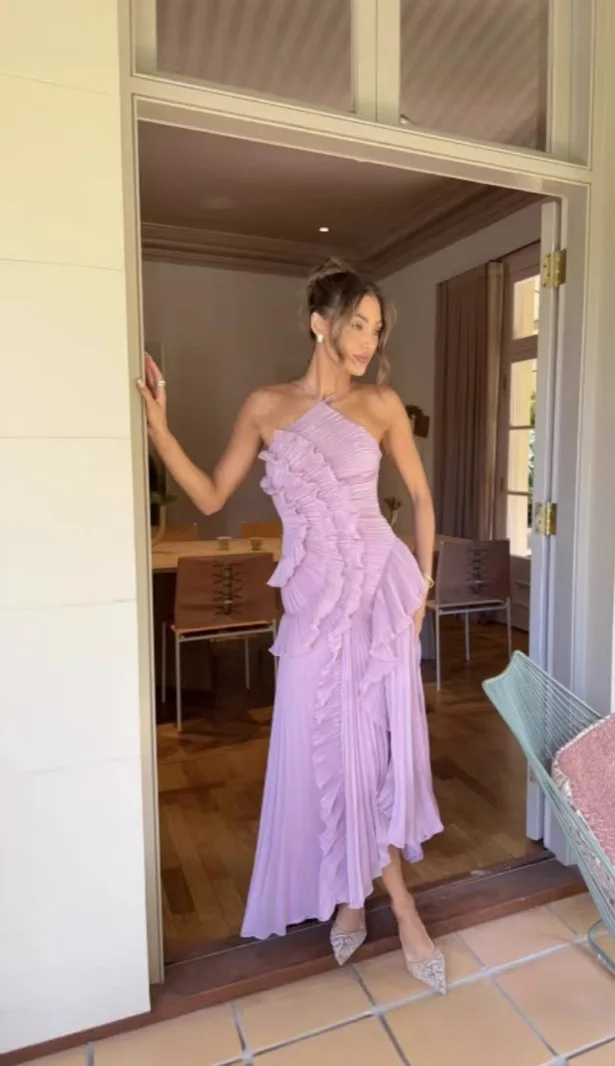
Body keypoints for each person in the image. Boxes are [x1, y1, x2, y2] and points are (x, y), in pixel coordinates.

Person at [137, 260, 446, 993]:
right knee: (324, 750)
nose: (368, 341)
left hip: (378, 597)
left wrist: (421, 590)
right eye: (357, 325)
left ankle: (396, 905)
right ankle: (350, 893)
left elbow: (421, 498)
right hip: (311, 607)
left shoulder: (381, 404)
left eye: (376, 328)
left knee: (372, 749)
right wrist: (158, 429)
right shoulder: (266, 406)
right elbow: (211, 496)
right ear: (319, 323)